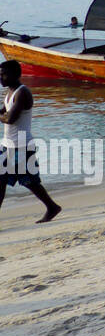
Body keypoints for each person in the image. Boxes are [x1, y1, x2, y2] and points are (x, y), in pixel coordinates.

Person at [0, 60, 62, 223]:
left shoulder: (23, 93)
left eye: (3, 74)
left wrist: (3, 116)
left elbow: (10, 118)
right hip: (8, 144)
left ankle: (52, 207)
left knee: (30, 182)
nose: (1, 78)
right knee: (2, 180)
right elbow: (3, 112)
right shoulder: (10, 93)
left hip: (22, 145)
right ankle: (52, 207)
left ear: (15, 74)